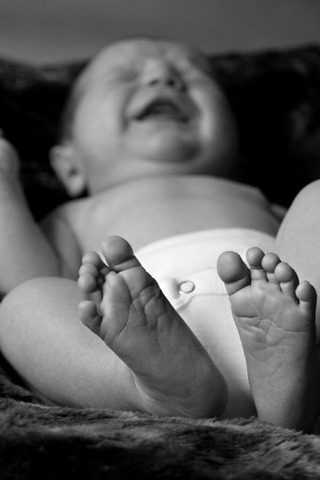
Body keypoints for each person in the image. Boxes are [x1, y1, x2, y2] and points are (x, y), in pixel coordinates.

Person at [0, 37, 319, 432]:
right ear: (70, 166)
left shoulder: (256, 198)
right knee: (22, 302)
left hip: (288, 320)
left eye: (190, 77)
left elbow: (306, 250)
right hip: (136, 345)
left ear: (236, 150)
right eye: (125, 76)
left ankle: (296, 389)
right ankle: (151, 388)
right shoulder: (73, 215)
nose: (161, 76)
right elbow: (30, 275)